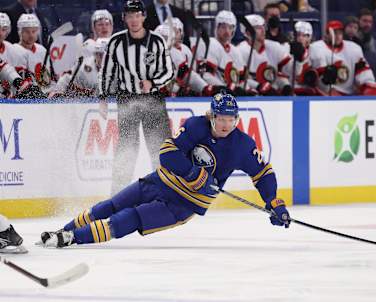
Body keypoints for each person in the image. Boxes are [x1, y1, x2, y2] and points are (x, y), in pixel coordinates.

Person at [38, 92, 291, 248]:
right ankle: (63, 231)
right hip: (159, 181)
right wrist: (194, 174)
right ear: (211, 116)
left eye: (230, 119)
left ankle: (73, 238)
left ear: (236, 119)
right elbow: (167, 153)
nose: (226, 124)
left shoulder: (242, 145)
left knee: (130, 218)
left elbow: (263, 174)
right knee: (111, 205)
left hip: (183, 204)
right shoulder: (195, 126)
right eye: (221, 118)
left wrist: (275, 202)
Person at [99, 0, 174, 195]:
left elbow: (168, 71)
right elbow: (106, 72)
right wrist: (103, 98)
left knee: (159, 147)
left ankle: (167, 191)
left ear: (144, 16)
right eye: (129, 16)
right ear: (124, 18)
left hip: (153, 100)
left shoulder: (157, 41)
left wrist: (153, 82)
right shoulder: (116, 42)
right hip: (127, 100)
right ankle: (117, 194)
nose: (134, 20)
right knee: (126, 148)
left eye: (137, 15)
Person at [309, 20, 376, 96]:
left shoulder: (354, 48)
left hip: (348, 96)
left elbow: (363, 71)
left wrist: (368, 86)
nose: (338, 36)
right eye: (335, 33)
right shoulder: (317, 47)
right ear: (327, 34)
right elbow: (319, 79)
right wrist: (329, 89)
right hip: (324, 96)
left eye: (340, 33)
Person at [237, 14, 297, 95]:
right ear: (247, 32)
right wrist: (258, 86)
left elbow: (290, 71)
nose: (263, 30)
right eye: (258, 27)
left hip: (274, 94)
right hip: (252, 96)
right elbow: (240, 80)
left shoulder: (274, 46)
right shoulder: (240, 50)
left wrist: (298, 59)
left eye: (263, 26)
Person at [195, 10, 250, 95]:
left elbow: (241, 80)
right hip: (211, 97)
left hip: (230, 97)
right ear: (217, 28)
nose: (227, 31)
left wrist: (248, 90)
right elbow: (205, 75)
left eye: (230, 27)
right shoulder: (209, 44)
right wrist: (226, 88)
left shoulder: (236, 51)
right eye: (223, 27)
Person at [155, 19, 213, 96]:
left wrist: (204, 88)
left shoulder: (177, 52)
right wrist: (179, 90)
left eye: (176, 32)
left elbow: (187, 74)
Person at [13, 14, 51, 89]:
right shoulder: (13, 50)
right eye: (27, 32)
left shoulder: (42, 50)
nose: (31, 35)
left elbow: (47, 80)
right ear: (20, 32)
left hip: (40, 95)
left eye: (34, 31)